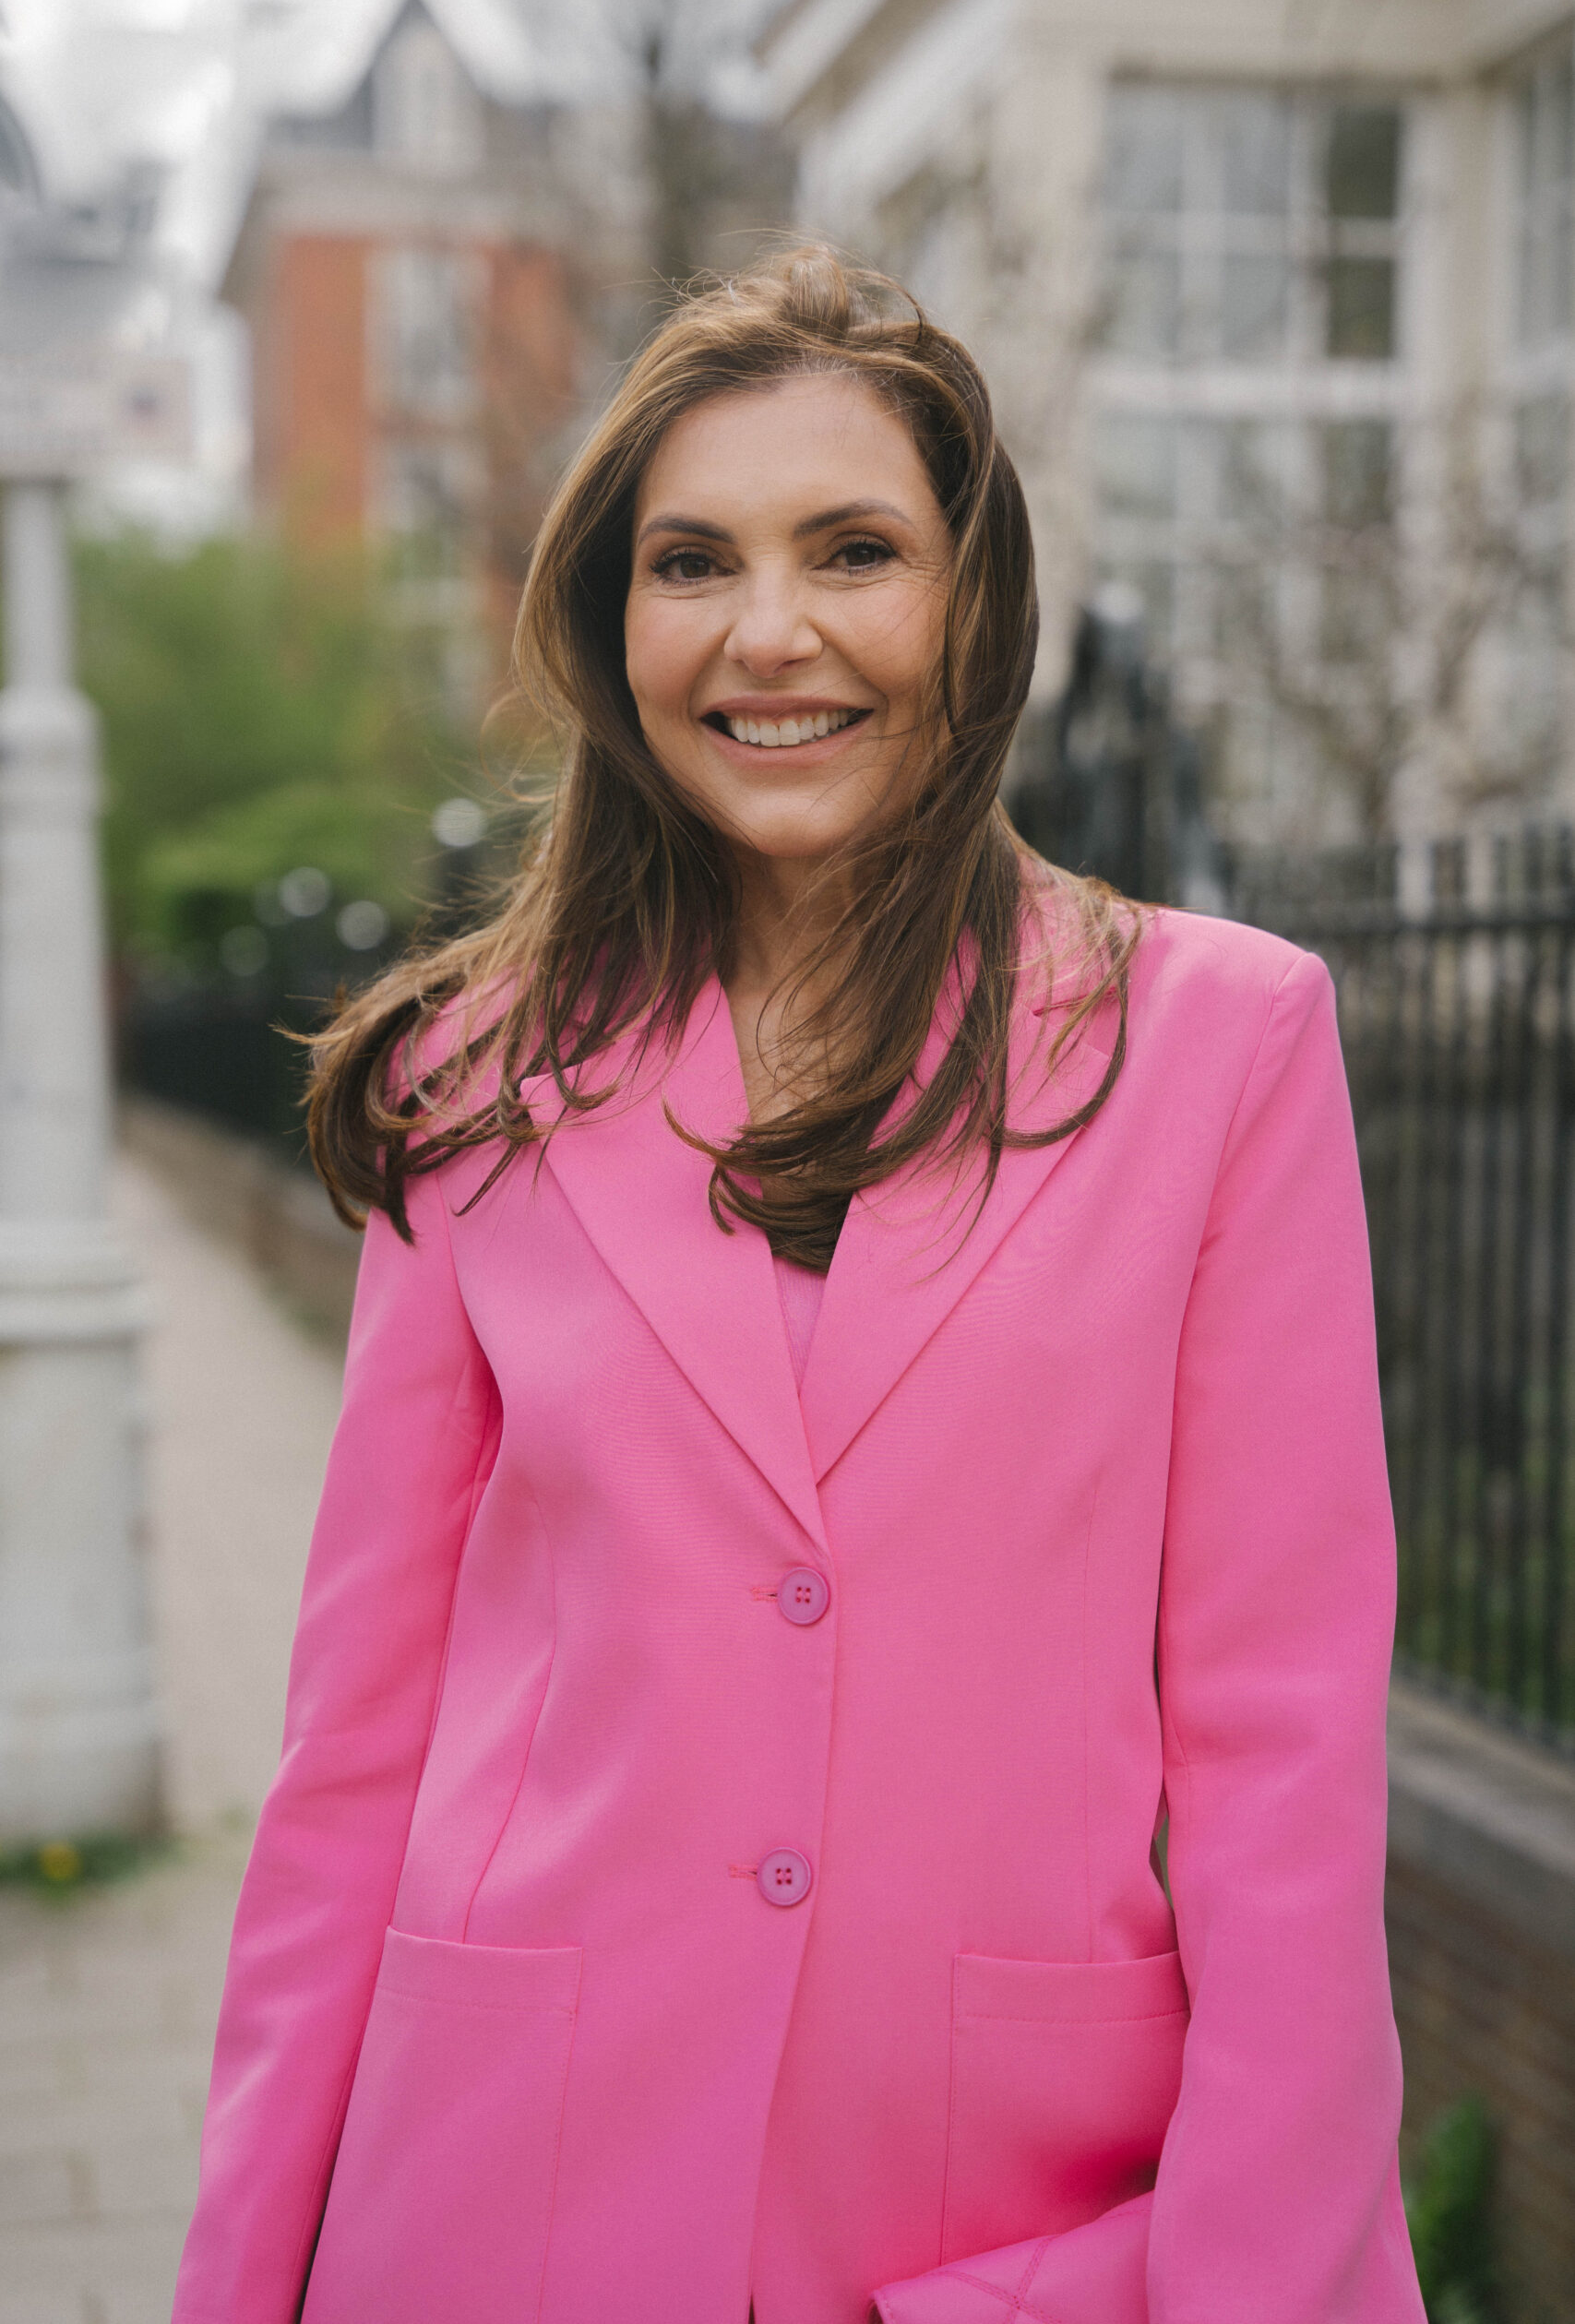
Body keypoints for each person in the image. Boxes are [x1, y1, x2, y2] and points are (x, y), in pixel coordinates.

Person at [172, 247, 1425, 2324]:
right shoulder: (463, 1085)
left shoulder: (1223, 1047)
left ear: (972, 604)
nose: (769, 632)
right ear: (615, 622)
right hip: (500, 2196)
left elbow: (1283, 1761)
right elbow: (352, 1755)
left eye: (853, 549)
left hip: (992, 2214)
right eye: (692, 562)